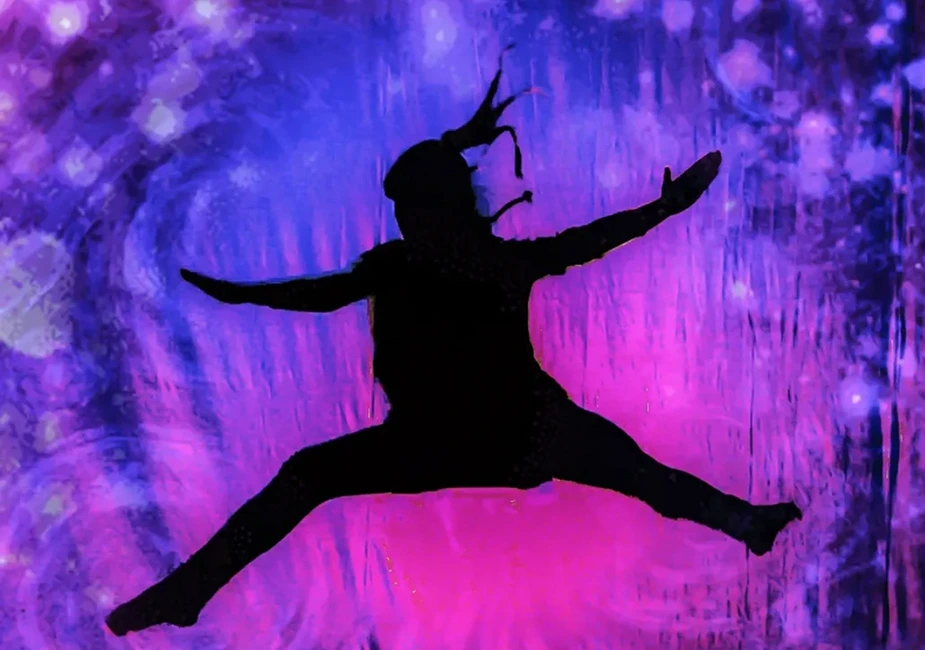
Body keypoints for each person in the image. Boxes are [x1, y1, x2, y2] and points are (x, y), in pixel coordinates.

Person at [106, 49, 801, 637]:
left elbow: (322, 293)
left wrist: (242, 294)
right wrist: (661, 207)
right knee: (634, 470)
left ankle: (188, 592)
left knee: (307, 477)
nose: (404, 219)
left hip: (461, 438)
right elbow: (590, 240)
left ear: (429, 211)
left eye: (410, 208)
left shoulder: (415, 265)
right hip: (514, 436)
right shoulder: (479, 260)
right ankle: (744, 521)